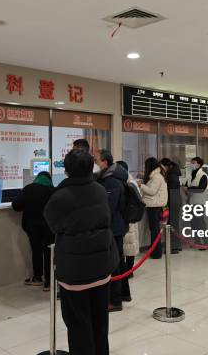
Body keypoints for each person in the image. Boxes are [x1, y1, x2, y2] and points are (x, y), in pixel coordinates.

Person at [44, 149, 119, 355]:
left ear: (67, 170)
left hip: (75, 273)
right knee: (100, 324)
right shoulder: (100, 190)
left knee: (78, 327)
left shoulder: (60, 196)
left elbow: (53, 225)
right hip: (102, 268)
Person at [94, 149, 129, 312]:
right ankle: (123, 294)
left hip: (114, 228)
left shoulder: (112, 181)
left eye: (98, 161)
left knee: (114, 265)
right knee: (119, 263)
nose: (96, 164)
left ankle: (115, 301)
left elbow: (109, 208)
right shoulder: (108, 179)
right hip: (115, 226)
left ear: (105, 163)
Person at [11, 171, 55, 291]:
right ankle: (49, 282)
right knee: (49, 253)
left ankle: (37, 278)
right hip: (49, 227)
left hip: (32, 227)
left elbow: (16, 206)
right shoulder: (53, 190)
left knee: (36, 250)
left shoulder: (29, 189)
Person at [138, 157, 168, 259]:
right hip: (154, 205)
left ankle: (156, 252)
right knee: (154, 230)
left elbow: (152, 191)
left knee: (154, 230)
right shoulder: (156, 176)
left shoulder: (156, 177)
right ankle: (155, 250)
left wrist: (140, 185)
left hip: (154, 206)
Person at [117, 161, 140, 277]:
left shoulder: (130, 183)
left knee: (130, 245)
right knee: (125, 245)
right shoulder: (126, 182)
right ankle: (125, 269)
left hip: (129, 218)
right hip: (125, 218)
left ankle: (129, 270)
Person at [183, 157, 208, 247]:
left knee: (200, 223)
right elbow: (186, 185)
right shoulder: (191, 175)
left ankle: (205, 242)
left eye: (193, 162)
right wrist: (186, 189)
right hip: (191, 202)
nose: (192, 164)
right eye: (191, 163)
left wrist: (189, 189)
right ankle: (197, 241)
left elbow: (201, 188)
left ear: (199, 164)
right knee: (193, 223)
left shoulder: (203, 175)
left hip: (199, 203)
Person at [159, 158, 182, 254]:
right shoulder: (174, 173)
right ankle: (176, 245)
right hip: (175, 202)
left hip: (172, 202)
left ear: (167, 166)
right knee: (174, 224)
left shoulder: (171, 175)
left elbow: (169, 190)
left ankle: (174, 247)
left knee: (172, 224)